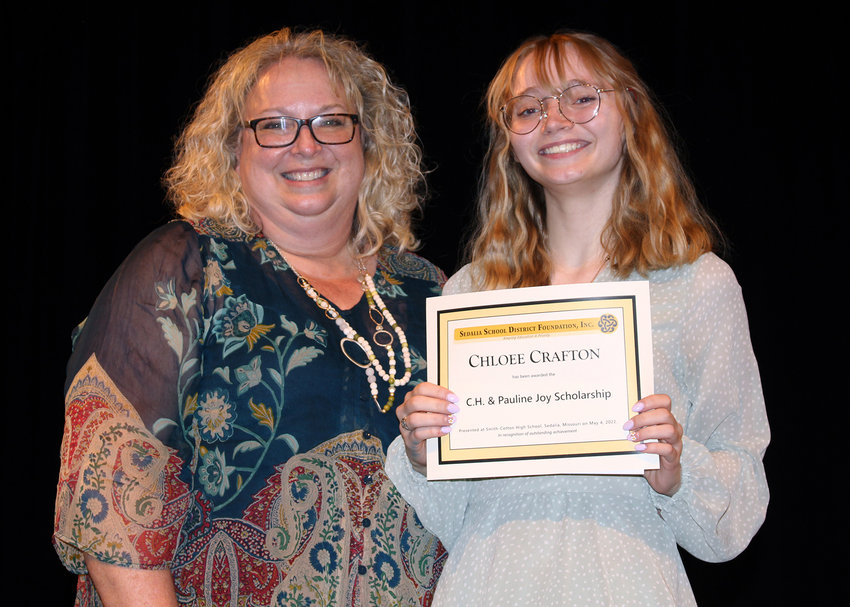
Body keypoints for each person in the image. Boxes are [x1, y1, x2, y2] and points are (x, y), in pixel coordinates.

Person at [53, 28, 447, 606]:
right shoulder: (185, 268)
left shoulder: (432, 290)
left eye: (331, 121)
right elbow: (115, 509)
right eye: (275, 124)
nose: (306, 146)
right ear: (231, 148)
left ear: (370, 142)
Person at [385, 31, 769, 606]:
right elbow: (452, 519)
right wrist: (424, 451)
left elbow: (735, 514)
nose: (555, 120)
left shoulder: (697, 285)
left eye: (581, 97)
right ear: (509, 141)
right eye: (529, 108)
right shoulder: (469, 292)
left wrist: (677, 470)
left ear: (630, 115)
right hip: (487, 588)